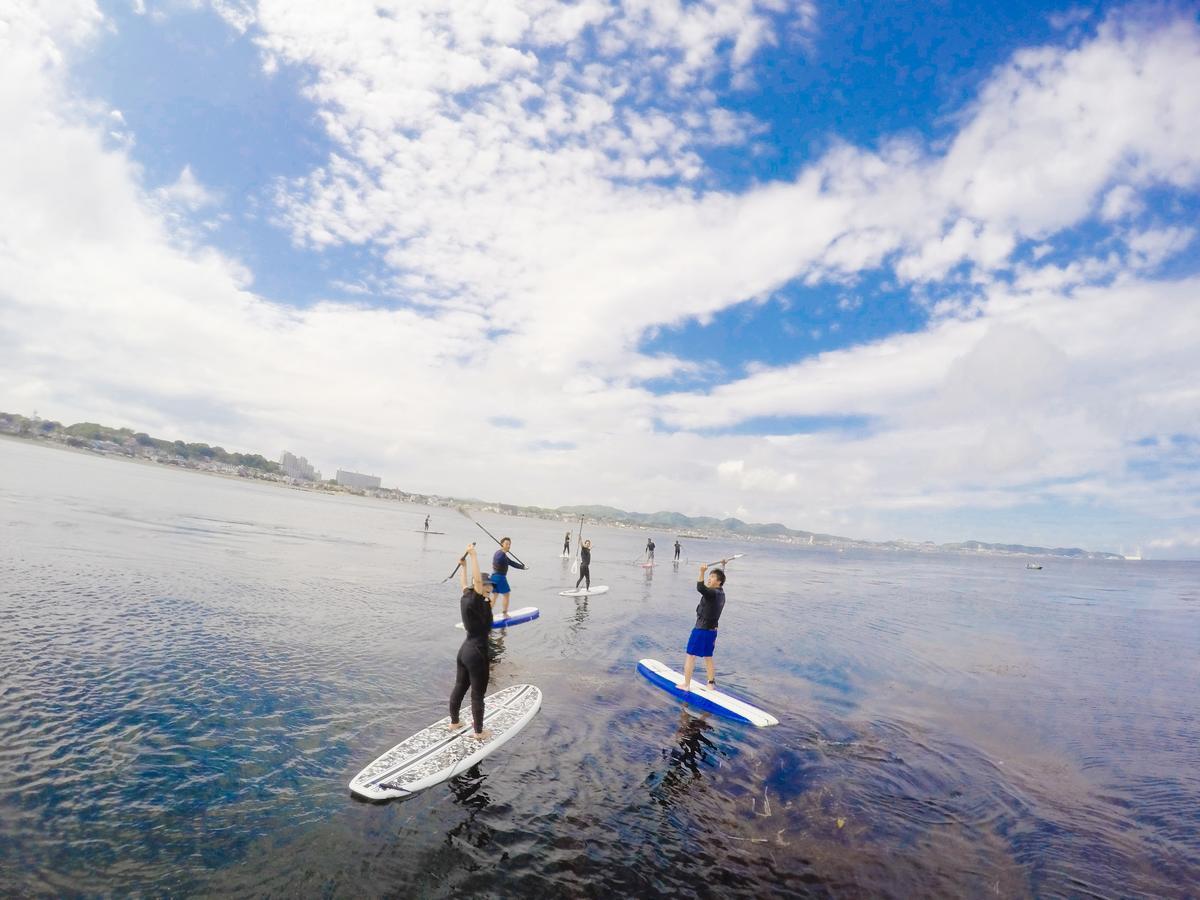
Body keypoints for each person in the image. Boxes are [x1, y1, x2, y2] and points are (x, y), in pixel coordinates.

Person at [449, 545, 494, 740]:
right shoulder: (476, 597)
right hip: (477, 652)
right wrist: (474, 556)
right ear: (481, 586)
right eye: (488, 585)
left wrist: (463, 566)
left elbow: (464, 584)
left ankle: (455, 722)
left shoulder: (466, 596)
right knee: (477, 695)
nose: (490, 588)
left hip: (464, 650)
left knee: (459, 686)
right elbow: (476, 580)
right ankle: (479, 733)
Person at [677, 560, 727, 693]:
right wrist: (723, 565)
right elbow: (721, 578)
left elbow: (700, 588)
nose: (709, 579)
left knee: (690, 656)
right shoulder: (721, 593)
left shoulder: (712, 593)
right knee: (708, 656)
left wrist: (701, 572)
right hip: (712, 631)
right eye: (709, 576)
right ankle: (711, 684)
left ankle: (686, 685)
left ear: (718, 582)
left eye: (711, 577)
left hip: (701, 630)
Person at [491, 537, 527, 617]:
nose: (508, 546)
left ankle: (487, 613)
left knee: (495, 596)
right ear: (502, 544)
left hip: (494, 577)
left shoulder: (502, 554)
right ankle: (505, 613)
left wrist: (522, 567)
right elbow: (498, 560)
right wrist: (503, 554)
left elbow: (511, 563)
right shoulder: (500, 554)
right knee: (506, 595)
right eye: (506, 544)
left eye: (509, 544)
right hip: (500, 577)